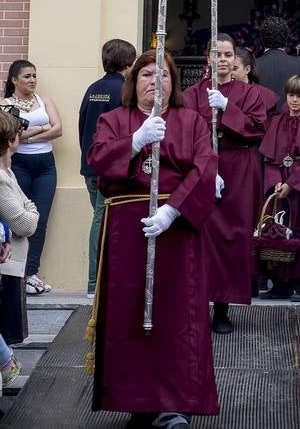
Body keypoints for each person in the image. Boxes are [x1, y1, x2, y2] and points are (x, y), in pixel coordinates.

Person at [87, 50, 218, 428]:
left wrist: (172, 210)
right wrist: (133, 141)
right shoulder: (113, 119)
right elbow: (97, 158)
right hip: (127, 232)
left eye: (162, 74)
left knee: (176, 313)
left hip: (174, 230)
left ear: (173, 83)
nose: (154, 81)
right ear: (133, 82)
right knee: (130, 314)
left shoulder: (191, 121)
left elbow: (205, 167)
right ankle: (137, 400)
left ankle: (174, 402)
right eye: (146, 74)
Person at [184, 34, 268, 334]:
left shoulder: (250, 94)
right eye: (216, 54)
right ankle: (195, 304)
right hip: (203, 167)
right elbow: (186, 130)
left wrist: (228, 108)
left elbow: (258, 128)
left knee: (233, 237)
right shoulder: (193, 93)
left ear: (236, 60)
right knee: (201, 236)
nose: (222, 59)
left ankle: (222, 307)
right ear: (207, 58)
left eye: (228, 54)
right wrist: (206, 166)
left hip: (238, 167)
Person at [259, 75, 300, 301]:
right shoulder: (278, 121)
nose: (294, 101)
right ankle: (280, 284)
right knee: (277, 231)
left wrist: (292, 184)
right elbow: (269, 158)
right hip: (280, 188)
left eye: (299, 96)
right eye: (290, 96)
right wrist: (276, 180)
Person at [78, 38, 136, 298]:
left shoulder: (93, 88)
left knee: (100, 219)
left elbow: (82, 127)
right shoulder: (124, 90)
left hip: (90, 165)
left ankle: (101, 280)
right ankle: (94, 284)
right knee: (102, 221)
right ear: (129, 62)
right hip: (110, 168)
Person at [1, 60, 62, 295]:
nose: (32, 80)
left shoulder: (44, 100)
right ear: (14, 80)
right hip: (19, 166)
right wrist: (39, 129)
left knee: (41, 219)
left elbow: (58, 129)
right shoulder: (4, 104)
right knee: (18, 218)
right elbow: (9, 132)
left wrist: (28, 135)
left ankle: (31, 273)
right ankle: (15, 273)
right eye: (27, 76)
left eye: (34, 76)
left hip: (46, 165)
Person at [0, 110, 39, 366]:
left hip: (14, 267)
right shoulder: (2, 179)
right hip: (7, 269)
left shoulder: (9, 174)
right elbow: (25, 223)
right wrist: (30, 211)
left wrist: (29, 210)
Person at [255, 17, 300, 108]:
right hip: (292, 119)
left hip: (262, 120)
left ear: (261, 40)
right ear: (287, 39)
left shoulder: (252, 66)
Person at [232, 46, 279, 114]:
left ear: (247, 69)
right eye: (227, 68)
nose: (229, 72)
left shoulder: (265, 95)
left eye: (234, 68)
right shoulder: (220, 92)